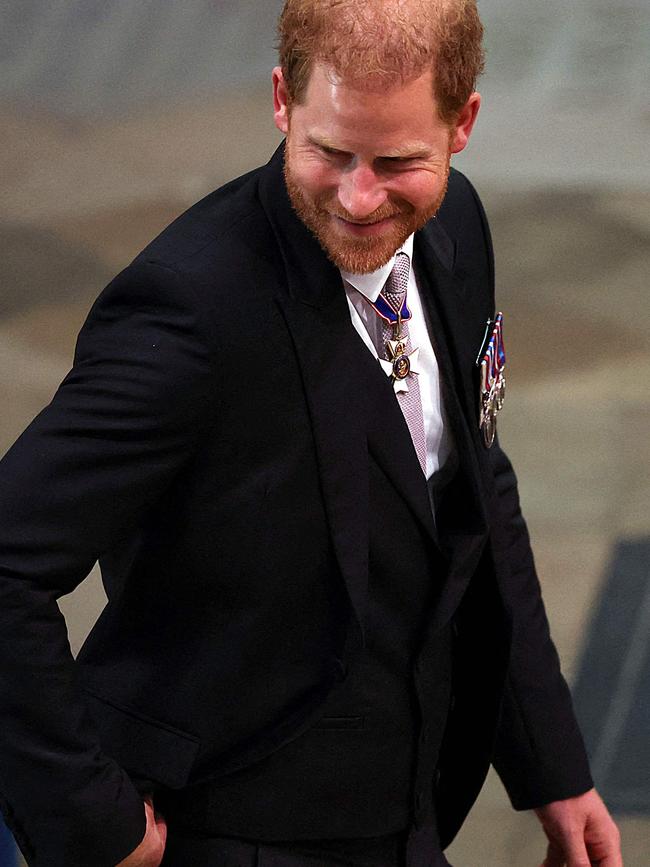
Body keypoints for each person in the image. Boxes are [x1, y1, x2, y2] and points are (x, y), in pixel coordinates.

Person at [0, 1, 622, 866]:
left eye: (398, 160)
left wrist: (552, 762)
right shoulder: (192, 311)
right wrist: (93, 823)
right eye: (330, 152)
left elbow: (476, 489)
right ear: (283, 99)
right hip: (233, 830)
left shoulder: (456, 230)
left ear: (464, 122)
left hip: (407, 820)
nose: (360, 198)